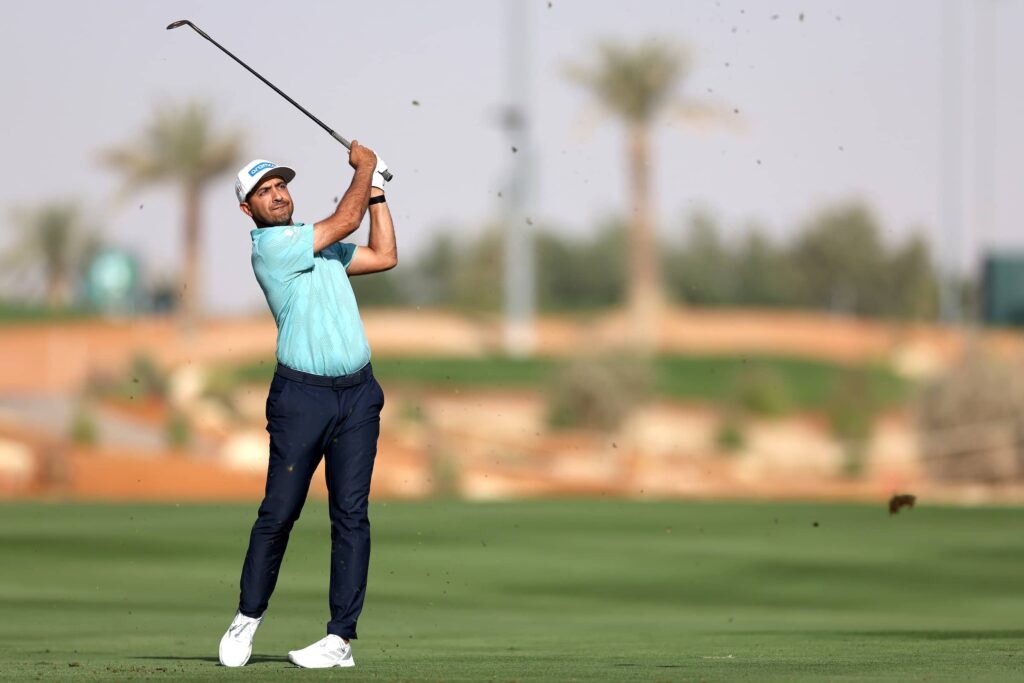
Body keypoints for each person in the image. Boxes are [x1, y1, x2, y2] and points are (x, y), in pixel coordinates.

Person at [218, 142, 396, 669]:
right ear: (248, 209)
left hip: (358, 396)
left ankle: (340, 638)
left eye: (280, 186)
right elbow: (344, 220)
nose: (277, 195)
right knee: (279, 513)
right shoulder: (272, 247)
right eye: (264, 192)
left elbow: (384, 255)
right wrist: (364, 169)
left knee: (352, 515)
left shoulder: (322, 247)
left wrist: (379, 194)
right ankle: (248, 617)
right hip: (302, 399)